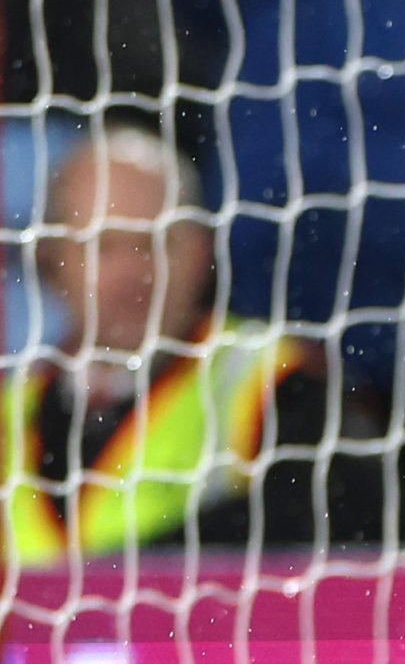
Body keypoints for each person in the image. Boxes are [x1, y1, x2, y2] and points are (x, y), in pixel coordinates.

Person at [4, 126, 376, 560]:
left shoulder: (278, 382)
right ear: (53, 259)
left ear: (203, 250)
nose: (134, 274)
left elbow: (343, 520)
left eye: (156, 243)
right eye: (105, 247)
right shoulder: (13, 412)